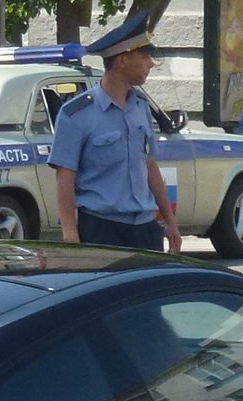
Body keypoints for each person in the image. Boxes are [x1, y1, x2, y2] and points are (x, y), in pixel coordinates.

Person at [48, 12, 181, 253]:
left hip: (145, 228)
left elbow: (149, 166)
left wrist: (170, 223)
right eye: (144, 56)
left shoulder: (141, 106)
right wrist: (70, 234)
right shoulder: (76, 114)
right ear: (122, 60)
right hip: (102, 229)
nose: (150, 64)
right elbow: (64, 177)